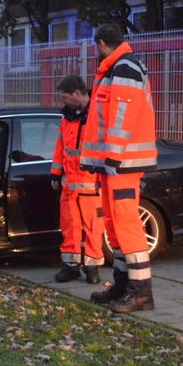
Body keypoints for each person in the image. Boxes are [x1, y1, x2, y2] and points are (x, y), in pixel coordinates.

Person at [83, 23, 157, 313]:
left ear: (101, 44)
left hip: (122, 163)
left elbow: (123, 116)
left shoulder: (123, 68)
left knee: (126, 225)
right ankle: (124, 286)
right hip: (116, 164)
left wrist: (112, 155)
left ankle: (140, 293)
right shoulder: (118, 68)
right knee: (114, 225)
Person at [50, 75, 104, 284]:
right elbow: (61, 146)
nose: (63, 102)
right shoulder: (67, 118)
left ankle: (92, 268)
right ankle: (71, 266)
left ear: (77, 94)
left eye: (65, 97)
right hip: (70, 184)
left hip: (90, 183)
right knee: (70, 227)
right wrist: (55, 172)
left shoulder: (96, 115)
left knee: (93, 228)